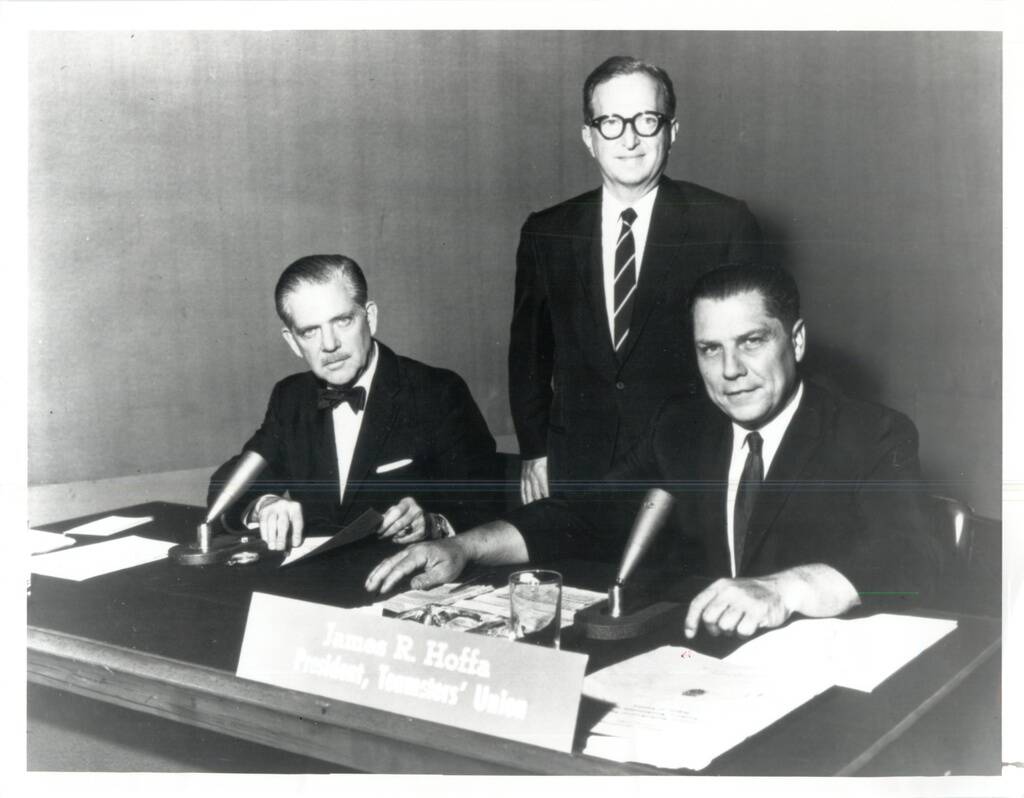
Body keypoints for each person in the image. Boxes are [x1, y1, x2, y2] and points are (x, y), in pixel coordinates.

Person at [366, 264, 939, 639]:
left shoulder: (873, 434)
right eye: (709, 349)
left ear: (797, 341)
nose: (730, 371)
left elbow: (911, 556)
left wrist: (782, 589)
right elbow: (583, 515)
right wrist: (464, 547)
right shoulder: (683, 428)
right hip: (701, 666)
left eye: (751, 342)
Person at [510, 55, 763, 505]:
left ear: (672, 132)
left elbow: (750, 353)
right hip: (575, 467)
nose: (628, 138)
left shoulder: (724, 223)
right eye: (610, 122)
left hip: (687, 470)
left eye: (646, 120)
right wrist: (534, 451)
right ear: (588, 137)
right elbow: (529, 354)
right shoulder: (546, 231)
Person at [209, 254, 499, 551]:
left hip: (410, 584)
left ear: (370, 317)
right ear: (293, 342)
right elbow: (227, 485)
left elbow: (488, 506)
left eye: (342, 321)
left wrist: (434, 524)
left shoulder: (437, 391)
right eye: (310, 331)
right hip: (314, 583)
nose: (330, 344)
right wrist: (265, 505)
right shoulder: (291, 397)